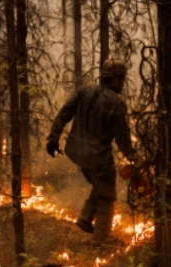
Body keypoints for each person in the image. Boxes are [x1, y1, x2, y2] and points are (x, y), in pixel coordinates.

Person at [46, 57, 133, 244]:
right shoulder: (116, 103)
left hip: (76, 152)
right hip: (98, 156)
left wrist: (54, 135)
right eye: (122, 79)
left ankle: (85, 219)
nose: (122, 83)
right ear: (117, 79)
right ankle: (100, 240)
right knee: (108, 196)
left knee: (100, 185)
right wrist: (135, 159)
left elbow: (65, 112)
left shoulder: (84, 91)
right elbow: (123, 139)